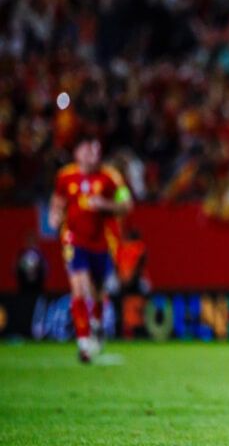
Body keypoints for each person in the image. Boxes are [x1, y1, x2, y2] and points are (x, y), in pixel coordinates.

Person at [49, 134, 134, 363]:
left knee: (97, 292)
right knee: (80, 288)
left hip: (100, 243)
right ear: (78, 153)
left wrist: (105, 204)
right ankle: (83, 342)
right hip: (73, 240)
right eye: (88, 150)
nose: (93, 155)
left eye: (96, 151)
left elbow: (127, 204)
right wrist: (54, 215)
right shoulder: (65, 176)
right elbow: (57, 201)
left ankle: (96, 324)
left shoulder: (110, 177)